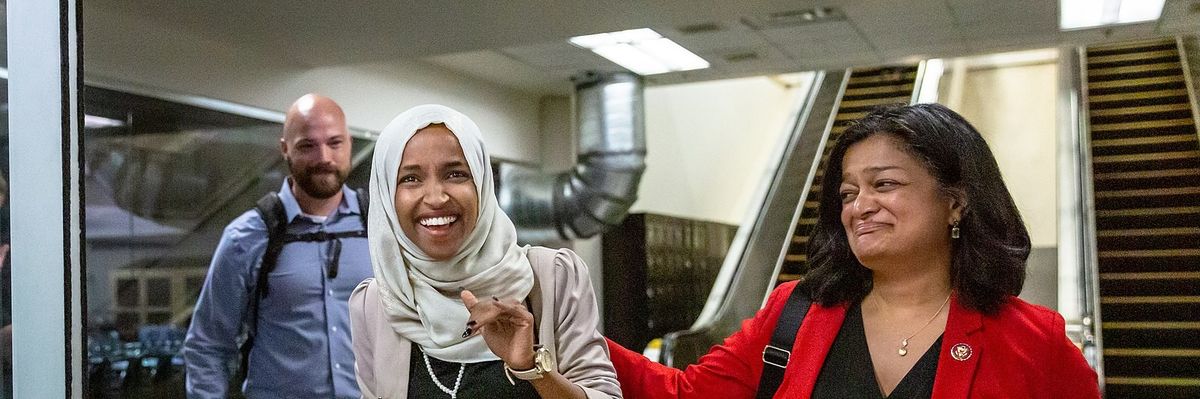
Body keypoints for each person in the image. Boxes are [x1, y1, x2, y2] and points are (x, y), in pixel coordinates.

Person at [606, 103, 1100, 398]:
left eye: (884, 184)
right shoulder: (795, 313)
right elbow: (683, 393)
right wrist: (556, 336)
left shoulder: (1035, 342)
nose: (860, 206)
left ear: (955, 201)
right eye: (847, 193)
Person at [349, 104, 620, 398]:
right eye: (410, 179)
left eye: (455, 174)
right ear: (387, 195)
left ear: (481, 182)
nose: (436, 197)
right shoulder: (378, 303)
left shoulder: (552, 277)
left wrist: (532, 368)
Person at [183, 94, 373, 398]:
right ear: (285, 149)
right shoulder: (246, 237)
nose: (324, 157)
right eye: (307, 146)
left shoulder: (381, 227)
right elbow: (207, 346)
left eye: (335, 143)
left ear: (349, 143)